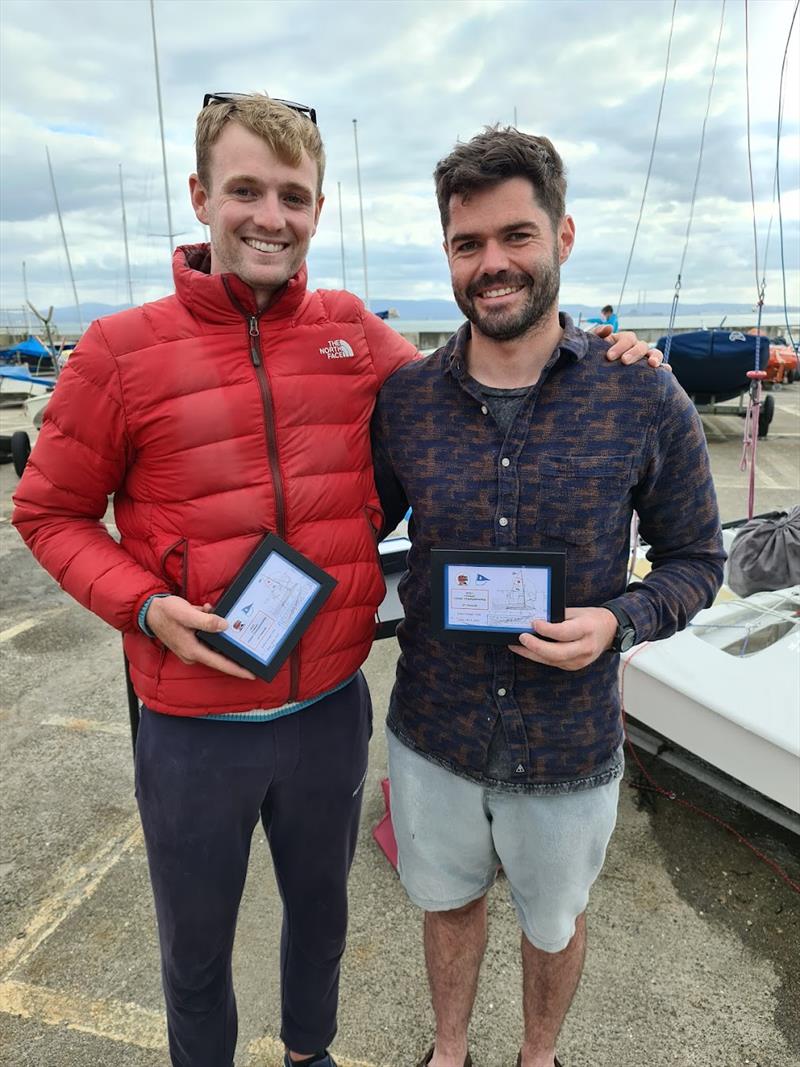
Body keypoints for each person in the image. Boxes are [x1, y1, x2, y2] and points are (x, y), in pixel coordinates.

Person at [12, 95, 659, 1067]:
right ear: (200, 197)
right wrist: (140, 602)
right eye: (244, 190)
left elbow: (476, 380)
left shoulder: (355, 332)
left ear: (319, 208)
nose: (269, 214)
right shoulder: (119, 352)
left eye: (292, 194)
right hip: (190, 719)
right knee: (196, 949)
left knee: (319, 923)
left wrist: (603, 358)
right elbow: (48, 512)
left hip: (325, 708)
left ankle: (310, 1055)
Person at [371, 127, 725, 1067]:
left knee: (553, 920)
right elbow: (347, 525)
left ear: (563, 236)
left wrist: (623, 618)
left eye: (516, 236)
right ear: (447, 252)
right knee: (443, 904)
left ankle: (537, 1054)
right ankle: (450, 1050)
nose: (494, 265)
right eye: (468, 243)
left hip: (567, 738)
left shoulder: (643, 396)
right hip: (434, 729)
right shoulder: (404, 400)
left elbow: (697, 557)